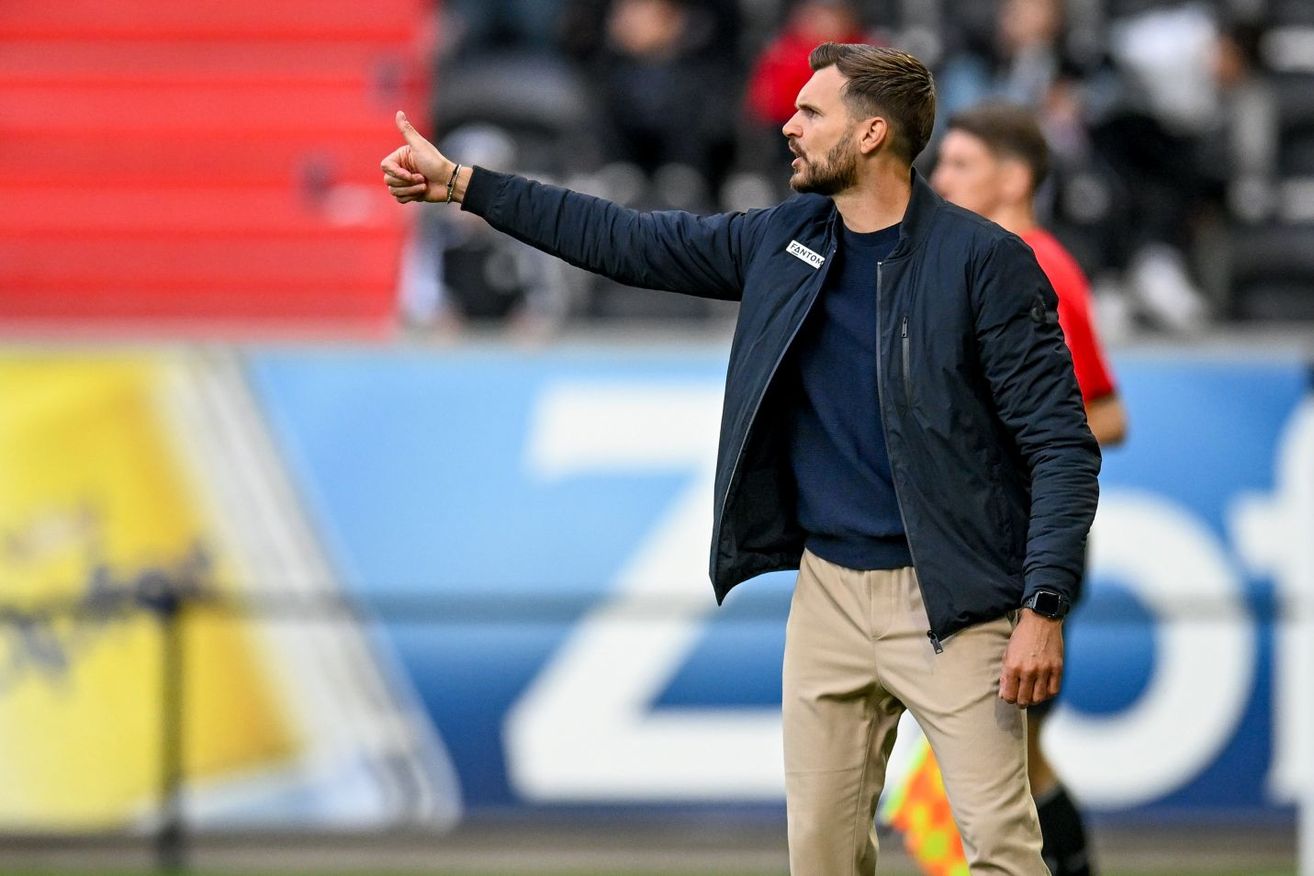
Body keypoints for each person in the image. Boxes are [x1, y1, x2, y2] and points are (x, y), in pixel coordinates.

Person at [382, 42, 1100, 875]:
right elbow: (625, 240)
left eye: (810, 113)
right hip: (827, 596)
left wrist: (1043, 606)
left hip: (953, 599)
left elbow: (1061, 444)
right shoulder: (785, 237)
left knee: (1004, 856)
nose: (787, 125)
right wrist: (467, 186)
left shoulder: (984, 263)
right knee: (821, 862)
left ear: (871, 135)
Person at [932, 103, 1129, 876]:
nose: (940, 179)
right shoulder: (978, 260)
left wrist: (1004, 426)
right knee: (1012, 757)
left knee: (1003, 758)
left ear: (1013, 179)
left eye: (959, 165)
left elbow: (1106, 415)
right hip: (980, 537)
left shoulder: (1040, 268)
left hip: (1025, 543)